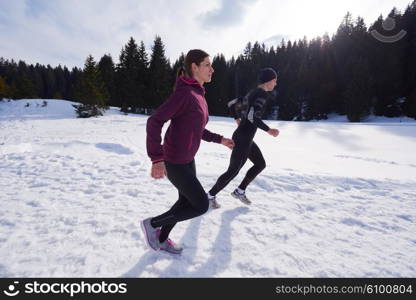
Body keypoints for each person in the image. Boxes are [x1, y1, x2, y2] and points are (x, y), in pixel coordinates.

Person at [141, 49, 234, 255]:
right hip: (174, 160)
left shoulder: (198, 94)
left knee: (185, 201)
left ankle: (162, 239)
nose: (212, 69)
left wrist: (220, 140)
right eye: (207, 65)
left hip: (187, 159)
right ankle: (152, 225)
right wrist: (157, 159)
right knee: (200, 205)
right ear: (194, 67)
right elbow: (154, 121)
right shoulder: (185, 94)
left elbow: (197, 129)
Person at [207, 67, 280, 209]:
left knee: (260, 164)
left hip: (245, 137)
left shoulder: (252, 92)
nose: (275, 84)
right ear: (269, 81)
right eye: (275, 81)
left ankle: (240, 191)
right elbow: (253, 117)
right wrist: (269, 130)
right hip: (243, 139)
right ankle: (210, 196)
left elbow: (231, 104)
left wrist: (237, 118)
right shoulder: (262, 95)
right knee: (233, 171)